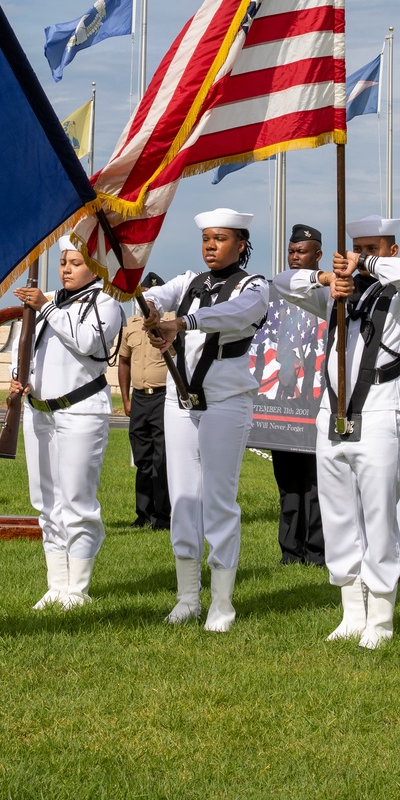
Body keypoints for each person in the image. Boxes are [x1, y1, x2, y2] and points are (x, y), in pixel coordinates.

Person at [273, 215, 400, 649]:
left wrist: (365, 264)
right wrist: (329, 277)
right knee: (337, 511)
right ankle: (351, 609)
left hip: (379, 410)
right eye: (354, 248)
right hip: (333, 411)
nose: (360, 258)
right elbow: (282, 283)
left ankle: (380, 615)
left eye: (372, 248)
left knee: (379, 513)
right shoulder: (337, 296)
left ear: (390, 251)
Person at [142, 209, 269, 633]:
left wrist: (181, 321)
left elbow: (233, 315)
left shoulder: (254, 287)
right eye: (206, 239)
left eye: (220, 238)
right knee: (183, 500)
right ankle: (187, 597)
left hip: (225, 401)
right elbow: (154, 295)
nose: (211, 246)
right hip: (181, 402)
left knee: (218, 499)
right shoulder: (190, 282)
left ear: (241, 244)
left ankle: (222, 602)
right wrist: (145, 302)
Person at [11, 237, 125, 610]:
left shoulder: (106, 302)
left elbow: (88, 341)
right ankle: (56, 584)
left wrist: (44, 307)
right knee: (46, 503)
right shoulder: (47, 301)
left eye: (76, 263)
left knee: (77, 501)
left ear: (95, 267)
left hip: (80, 411)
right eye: (63, 262)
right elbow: (23, 347)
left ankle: (78, 588)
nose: (65, 269)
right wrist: (18, 376)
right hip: (39, 410)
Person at [270, 223, 326, 568]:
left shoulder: (329, 291)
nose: (294, 257)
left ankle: (318, 551)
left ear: (317, 255)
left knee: (318, 482)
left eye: (301, 252)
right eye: (291, 252)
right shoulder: (277, 291)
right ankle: (291, 551)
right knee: (289, 482)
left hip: (319, 398)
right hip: (284, 400)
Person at [117, 271, 172, 529]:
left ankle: (162, 516)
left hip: (164, 397)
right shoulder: (131, 325)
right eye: (144, 298)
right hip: (140, 399)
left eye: (153, 297)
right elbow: (124, 362)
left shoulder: (170, 323)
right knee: (142, 458)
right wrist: (126, 399)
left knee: (162, 460)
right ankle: (143, 513)